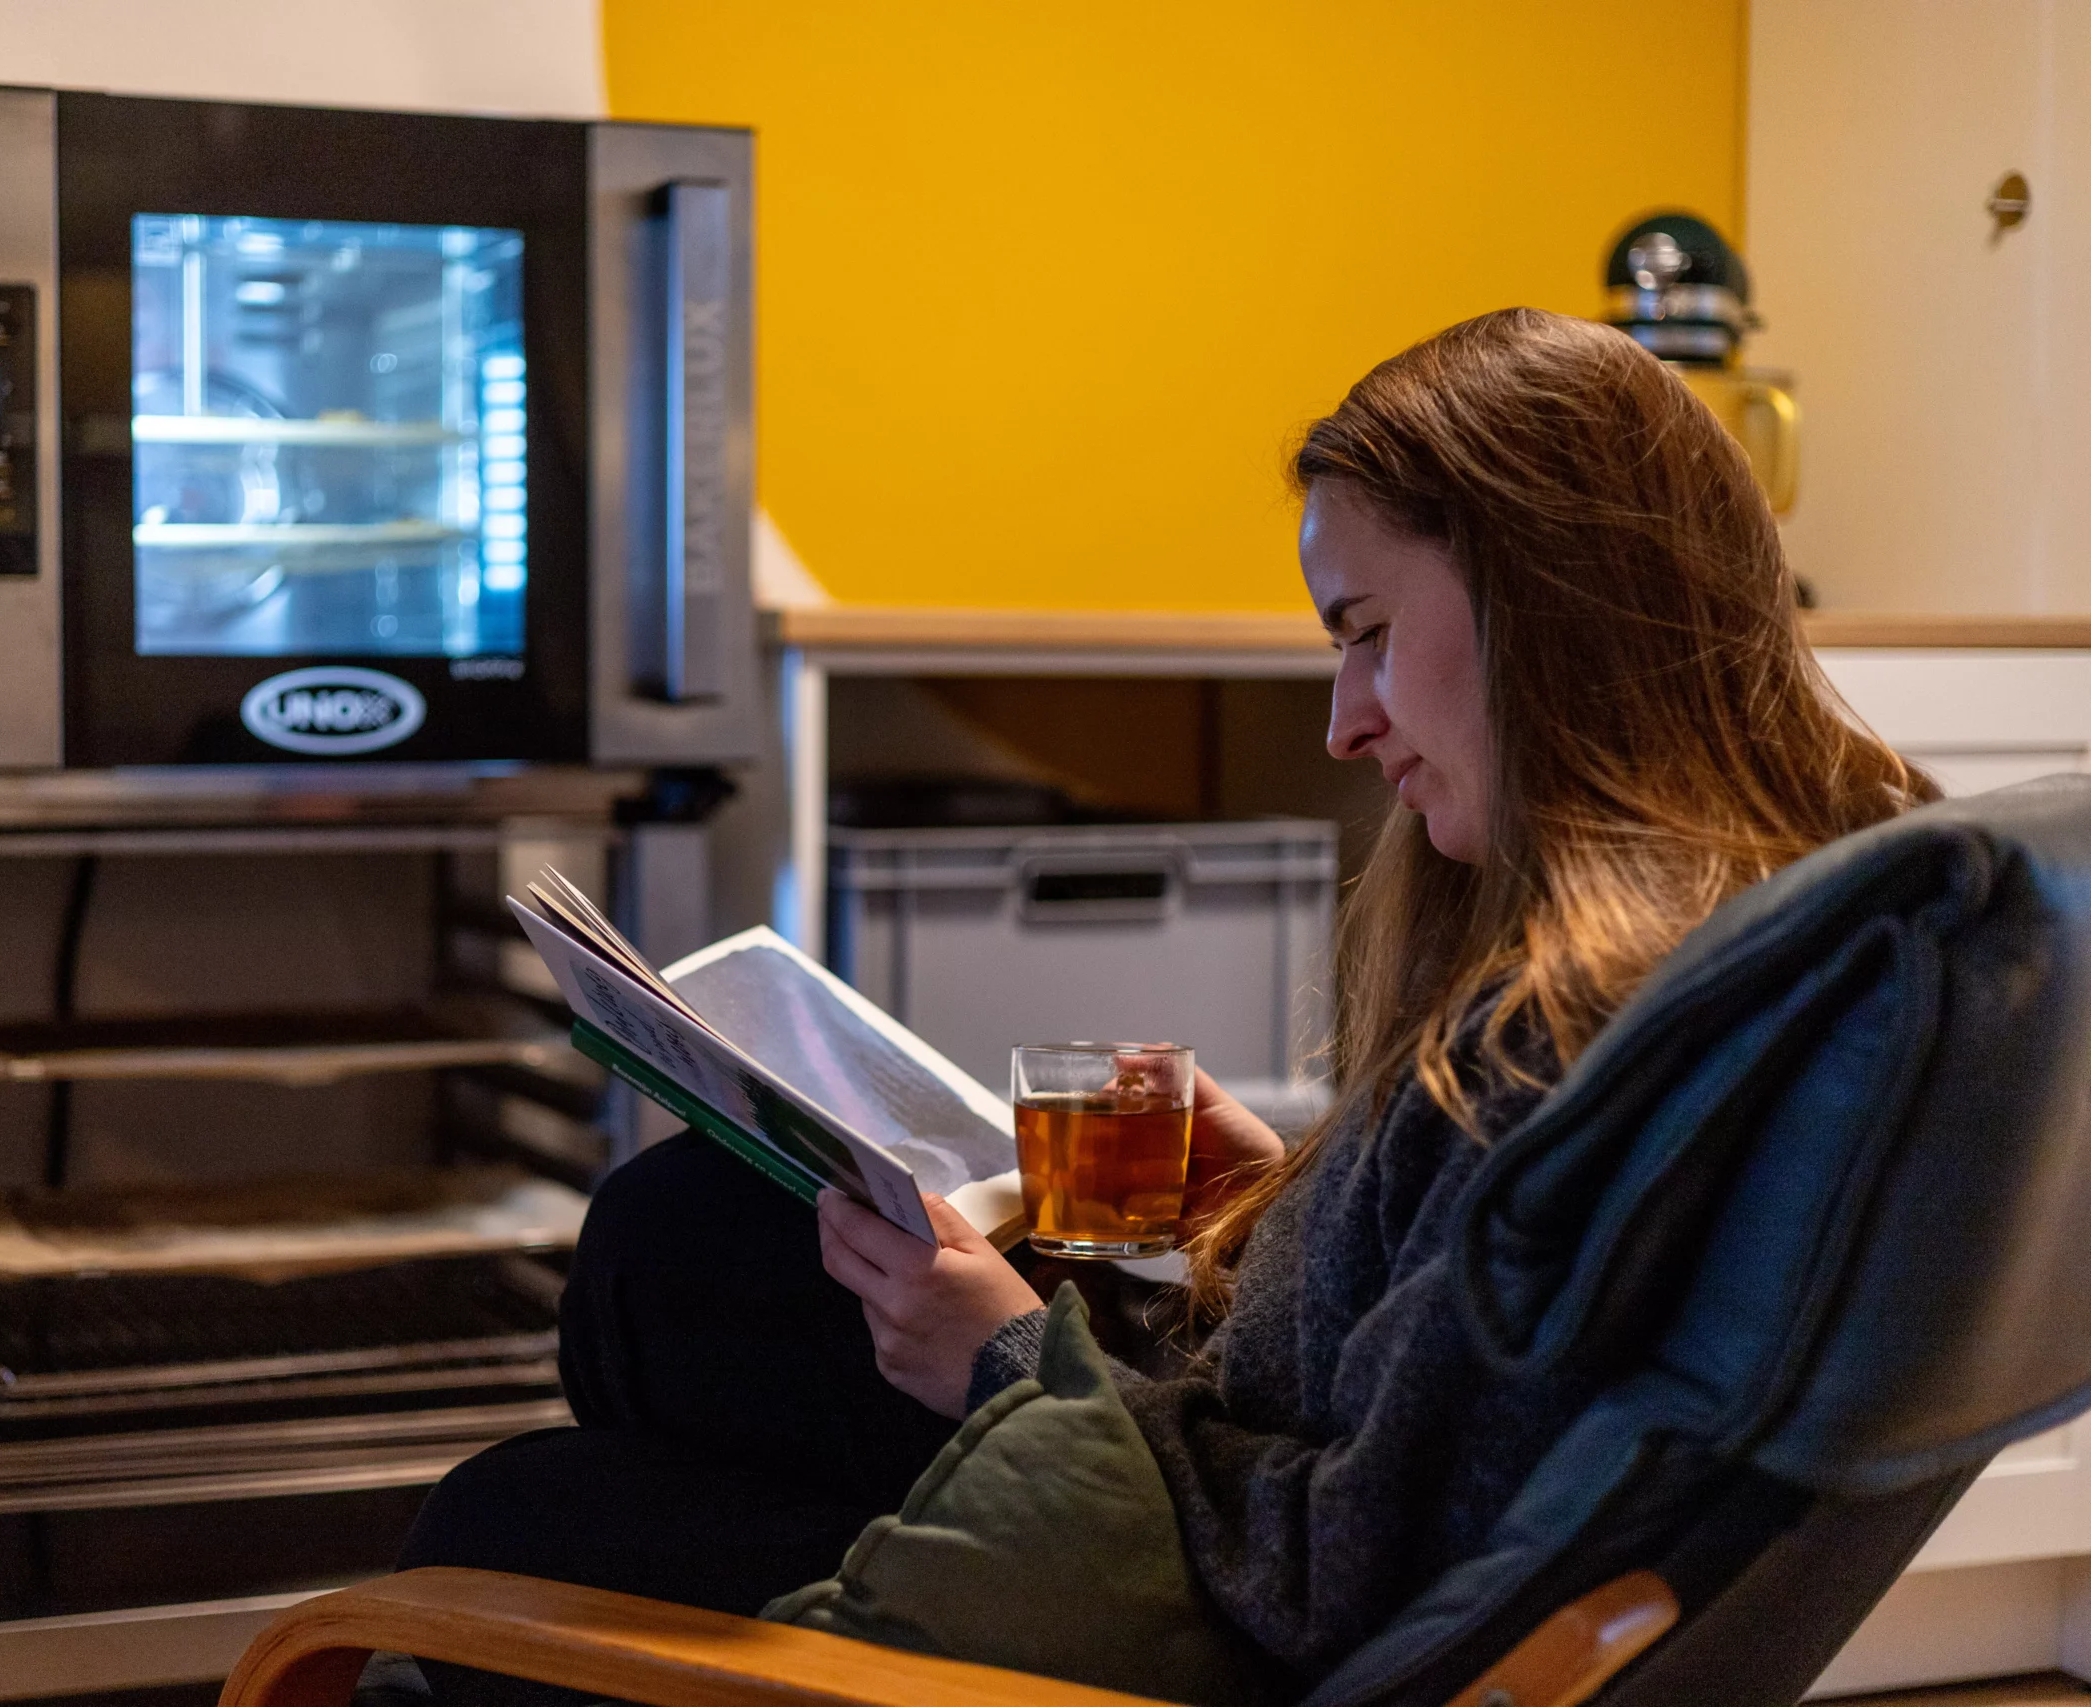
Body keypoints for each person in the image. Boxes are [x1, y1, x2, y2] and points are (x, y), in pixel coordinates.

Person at [395, 308, 1935, 1705]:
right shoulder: (1782, 920)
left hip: (1198, 1585)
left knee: (513, 1510)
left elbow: (1343, 1568)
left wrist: (1007, 1362)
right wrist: (1275, 1204)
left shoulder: (1570, 1031)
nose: (1343, 725)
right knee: (686, 1233)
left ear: (1548, 595)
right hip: (1212, 1434)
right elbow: (1450, 1364)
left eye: (1367, 634)